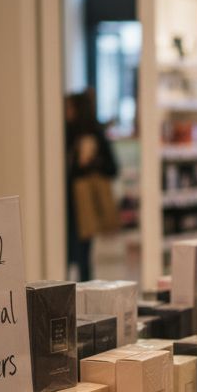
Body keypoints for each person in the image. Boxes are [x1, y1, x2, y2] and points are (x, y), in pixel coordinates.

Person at [65, 90, 118, 281]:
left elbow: (112, 168)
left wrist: (91, 162)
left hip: (82, 205)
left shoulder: (93, 134)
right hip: (67, 206)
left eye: (69, 107)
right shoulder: (63, 133)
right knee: (74, 257)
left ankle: (83, 299)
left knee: (82, 258)